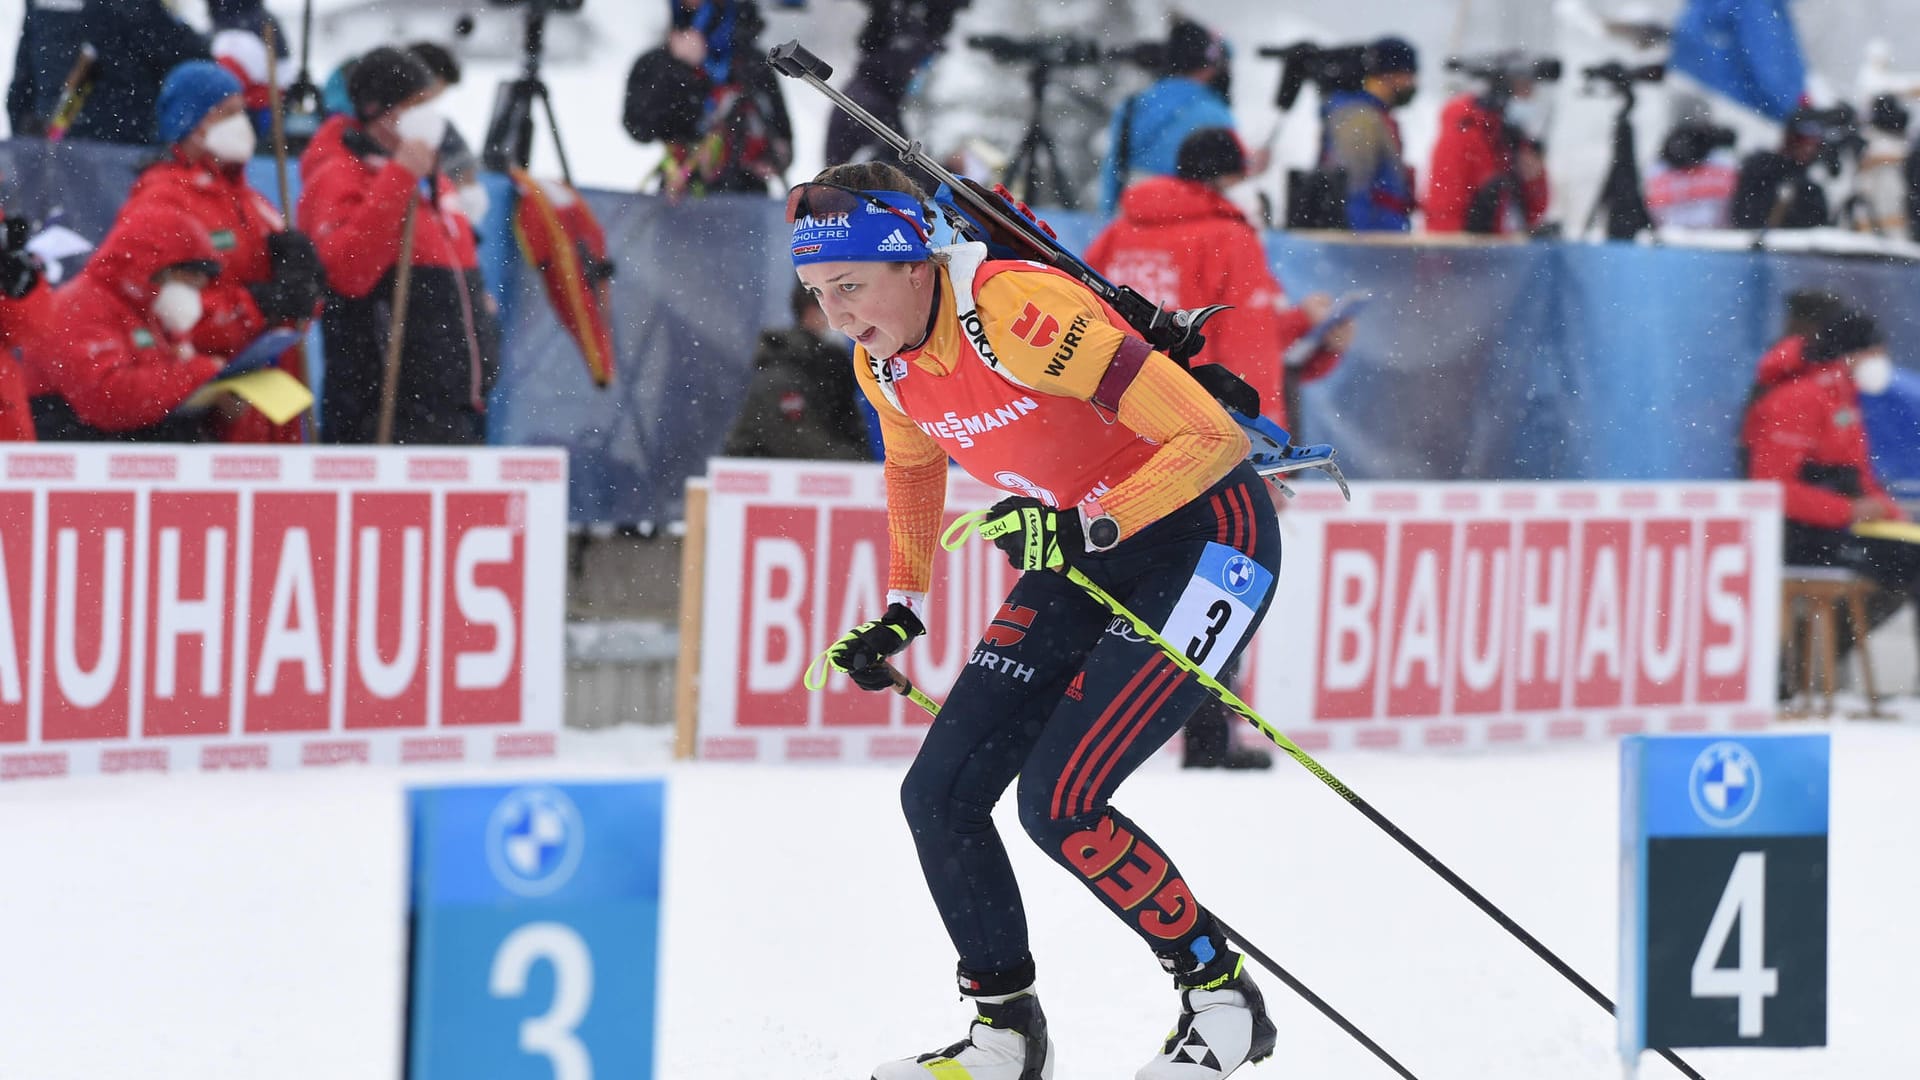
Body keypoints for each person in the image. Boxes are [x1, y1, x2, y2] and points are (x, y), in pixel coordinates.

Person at [798, 160, 1280, 1079]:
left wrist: (1082, 523)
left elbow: (1214, 439)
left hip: (1209, 532)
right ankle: (1005, 1036)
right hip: (1088, 544)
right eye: (819, 294)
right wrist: (903, 608)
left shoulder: (1019, 312)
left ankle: (1221, 1001)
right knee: (937, 795)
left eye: (852, 286)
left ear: (916, 263)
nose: (841, 316)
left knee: (1062, 802)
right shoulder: (883, 363)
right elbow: (913, 468)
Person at [1086, 127, 1350, 770]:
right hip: (1201, 438)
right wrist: (1267, 461)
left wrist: (1295, 325)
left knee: (1109, 585)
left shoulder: (1123, 232)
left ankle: (1083, 733)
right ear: (1230, 175)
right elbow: (1245, 353)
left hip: (1118, 433)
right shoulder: (1227, 235)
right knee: (1219, 579)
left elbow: (1117, 320)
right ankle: (1206, 733)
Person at [298, 46, 498, 444]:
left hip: (456, 406)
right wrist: (399, 176)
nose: (430, 114)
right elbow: (348, 273)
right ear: (381, 111)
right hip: (385, 410)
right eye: (417, 103)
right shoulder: (339, 175)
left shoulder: (433, 178)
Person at [121, 60, 323, 442]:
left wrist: (305, 288)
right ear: (191, 122)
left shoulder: (253, 202)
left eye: (241, 110)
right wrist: (253, 307)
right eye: (226, 112)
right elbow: (156, 308)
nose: (240, 121)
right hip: (208, 409)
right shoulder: (163, 200)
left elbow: (295, 309)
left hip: (271, 404)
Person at [1741, 309, 1920, 667]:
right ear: (1853, 355)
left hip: (1832, 530)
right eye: (1877, 354)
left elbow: (1861, 477)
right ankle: (1804, 663)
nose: (1883, 363)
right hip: (1796, 535)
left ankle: (1812, 658)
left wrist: (1896, 517)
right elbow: (1771, 490)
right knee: (1910, 565)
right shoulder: (1798, 399)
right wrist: (1846, 511)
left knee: (1909, 560)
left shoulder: (1841, 398)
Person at [24, 203, 229, 440]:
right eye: (188, 280)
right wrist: (199, 373)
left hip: (134, 461)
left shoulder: (156, 312)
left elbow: (161, 392)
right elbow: (106, 399)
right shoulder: (79, 307)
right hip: (79, 463)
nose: (193, 292)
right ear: (155, 267)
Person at [625, 0, 794, 196]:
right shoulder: (657, 63)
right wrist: (682, 68)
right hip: (679, 198)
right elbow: (639, 128)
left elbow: (784, 139)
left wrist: (773, 158)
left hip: (747, 202)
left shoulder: (754, 65)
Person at [7, 0, 208, 144]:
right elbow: (190, 57)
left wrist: (26, 138)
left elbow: (22, 86)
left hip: (57, 152)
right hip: (123, 151)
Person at [1099, 16, 1237, 216]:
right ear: (1208, 66)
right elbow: (1229, 177)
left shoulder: (1132, 106)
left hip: (1134, 222)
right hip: (1191, 228)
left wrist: (1110, 219)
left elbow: (1112, 173)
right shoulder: (1215, 113)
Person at [723, 281, 870, 460]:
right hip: (754, 484)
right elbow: (802, 444)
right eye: (837, 310)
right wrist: (861, 463)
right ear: (810, 313)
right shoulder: (781, 374)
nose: (846, 321)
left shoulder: (830, 369)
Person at [825, 0, 971, 166]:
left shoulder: (875, 98)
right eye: (923, 62)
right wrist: (950, 174)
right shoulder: (871, 107)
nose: (923, 71)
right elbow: (895, 178)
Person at [1318, 36, 1420, 232]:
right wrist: (1360, 248)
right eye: (1408, 75)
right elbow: (1353, 190)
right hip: (1372, 245)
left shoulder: (1373, 116)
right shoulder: (1360, 119)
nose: (1412, 84)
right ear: (1389, 75)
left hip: (1382, 243)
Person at [1425, 76, 1550, 234]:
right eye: (1524, 89)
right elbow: (1445, 209)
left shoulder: (1508, 139)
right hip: (1468, 250)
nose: (1529, 98)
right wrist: (1455, 252)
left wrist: (1534, 179)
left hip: (1496, 247)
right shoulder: (1465, 130)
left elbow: (1534, 213)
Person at [1729, 105, 1836, 230]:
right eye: (1803, 141)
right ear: (1790, 139)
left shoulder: (1813, 185)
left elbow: (1819, 226)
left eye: (1815, 144)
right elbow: (1746, 217)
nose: (1808, 149)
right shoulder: (1762, 168)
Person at [1645, 120, 1739, 230]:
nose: (1682, 149)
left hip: (1719, 236)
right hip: (1674, 238)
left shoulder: (1722, 163)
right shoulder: (1657, 172)